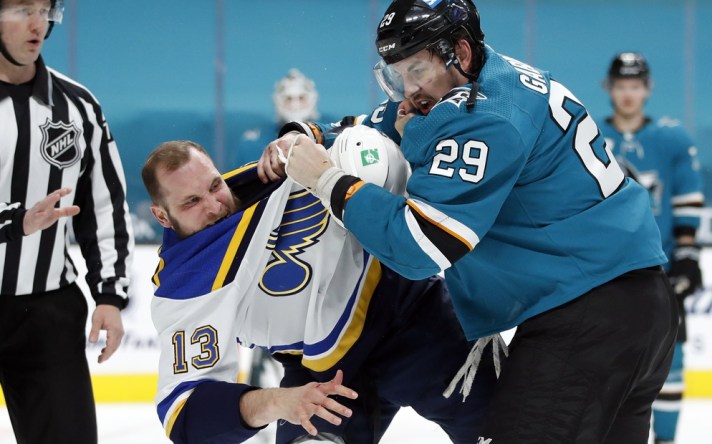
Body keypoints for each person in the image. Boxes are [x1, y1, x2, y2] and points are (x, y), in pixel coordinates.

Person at [262, 0, 680, 442]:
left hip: (587, 320)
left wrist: (328, 181)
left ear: (458, 52)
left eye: (416, 70)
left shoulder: (487, 117)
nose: (408, 90)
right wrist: (305, 134)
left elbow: (421, 244)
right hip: (635, 307)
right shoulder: (486, 79)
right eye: (396, 74)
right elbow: (370, 127)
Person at [143, 130, 496, 444]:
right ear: (161, 216)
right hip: (322, 378)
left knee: (511, 431)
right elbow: (183, 413)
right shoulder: (184, 288)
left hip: (415, 321)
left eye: (215, 185)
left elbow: (358, 135)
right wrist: (280, 402)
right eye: (191, 202)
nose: (215, 205)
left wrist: (306, 134)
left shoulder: (276, 171)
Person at [0, 1, 134, 443]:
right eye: (21, 10)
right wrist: (14, 223)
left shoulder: (77, 106)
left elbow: (103, 207)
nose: (37, 24)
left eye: (44, 10)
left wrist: (110, 295)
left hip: (48, 315)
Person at [598, 52, 704, 444]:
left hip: (659, 266)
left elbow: (688, 199)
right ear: (609, 88)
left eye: (636, 86)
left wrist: (688, 253)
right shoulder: (590, 134)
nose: (628, 94)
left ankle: (666, 440)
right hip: (607, 267)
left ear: (649, 88)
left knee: (671, 355)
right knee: (606, 356)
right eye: (621, 85)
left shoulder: (673, 138)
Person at [236, 69, 322, 165]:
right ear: (277, 101)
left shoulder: (328, 134)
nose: (295, 106)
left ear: (312, 99)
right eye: (288, 99)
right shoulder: (253, 142)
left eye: (301, 98)